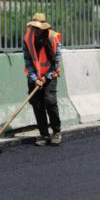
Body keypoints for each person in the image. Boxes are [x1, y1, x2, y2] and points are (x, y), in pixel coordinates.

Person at [23, 13, 63, 146]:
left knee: (50, 102)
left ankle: (56, 132)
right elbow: (28, 61)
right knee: (37, 104)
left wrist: (46, 77)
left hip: (50, 75)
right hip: (34, 75)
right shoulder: (27, 38)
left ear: (44, 28)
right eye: (33, 27)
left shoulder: (53, 37)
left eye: (38, 28)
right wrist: (35, 79)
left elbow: (56, 61)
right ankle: (44, 135)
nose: (35, 30)